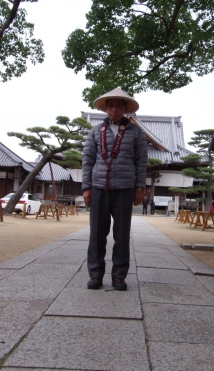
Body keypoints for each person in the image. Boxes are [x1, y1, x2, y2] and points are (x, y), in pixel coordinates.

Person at [82, 87, 148, 291]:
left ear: (125, 108)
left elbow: (141, 161)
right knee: (96, 234)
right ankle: (95, 275)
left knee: (121, 234)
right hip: (99, 187)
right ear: (106, 108)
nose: (115, 110)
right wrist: (86, 188)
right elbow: (87, 160)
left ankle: (119, 276)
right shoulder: (95, 131)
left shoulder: (136, 132)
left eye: (119, 106)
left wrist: (139, 187)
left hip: (125, 188)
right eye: (111, 106)